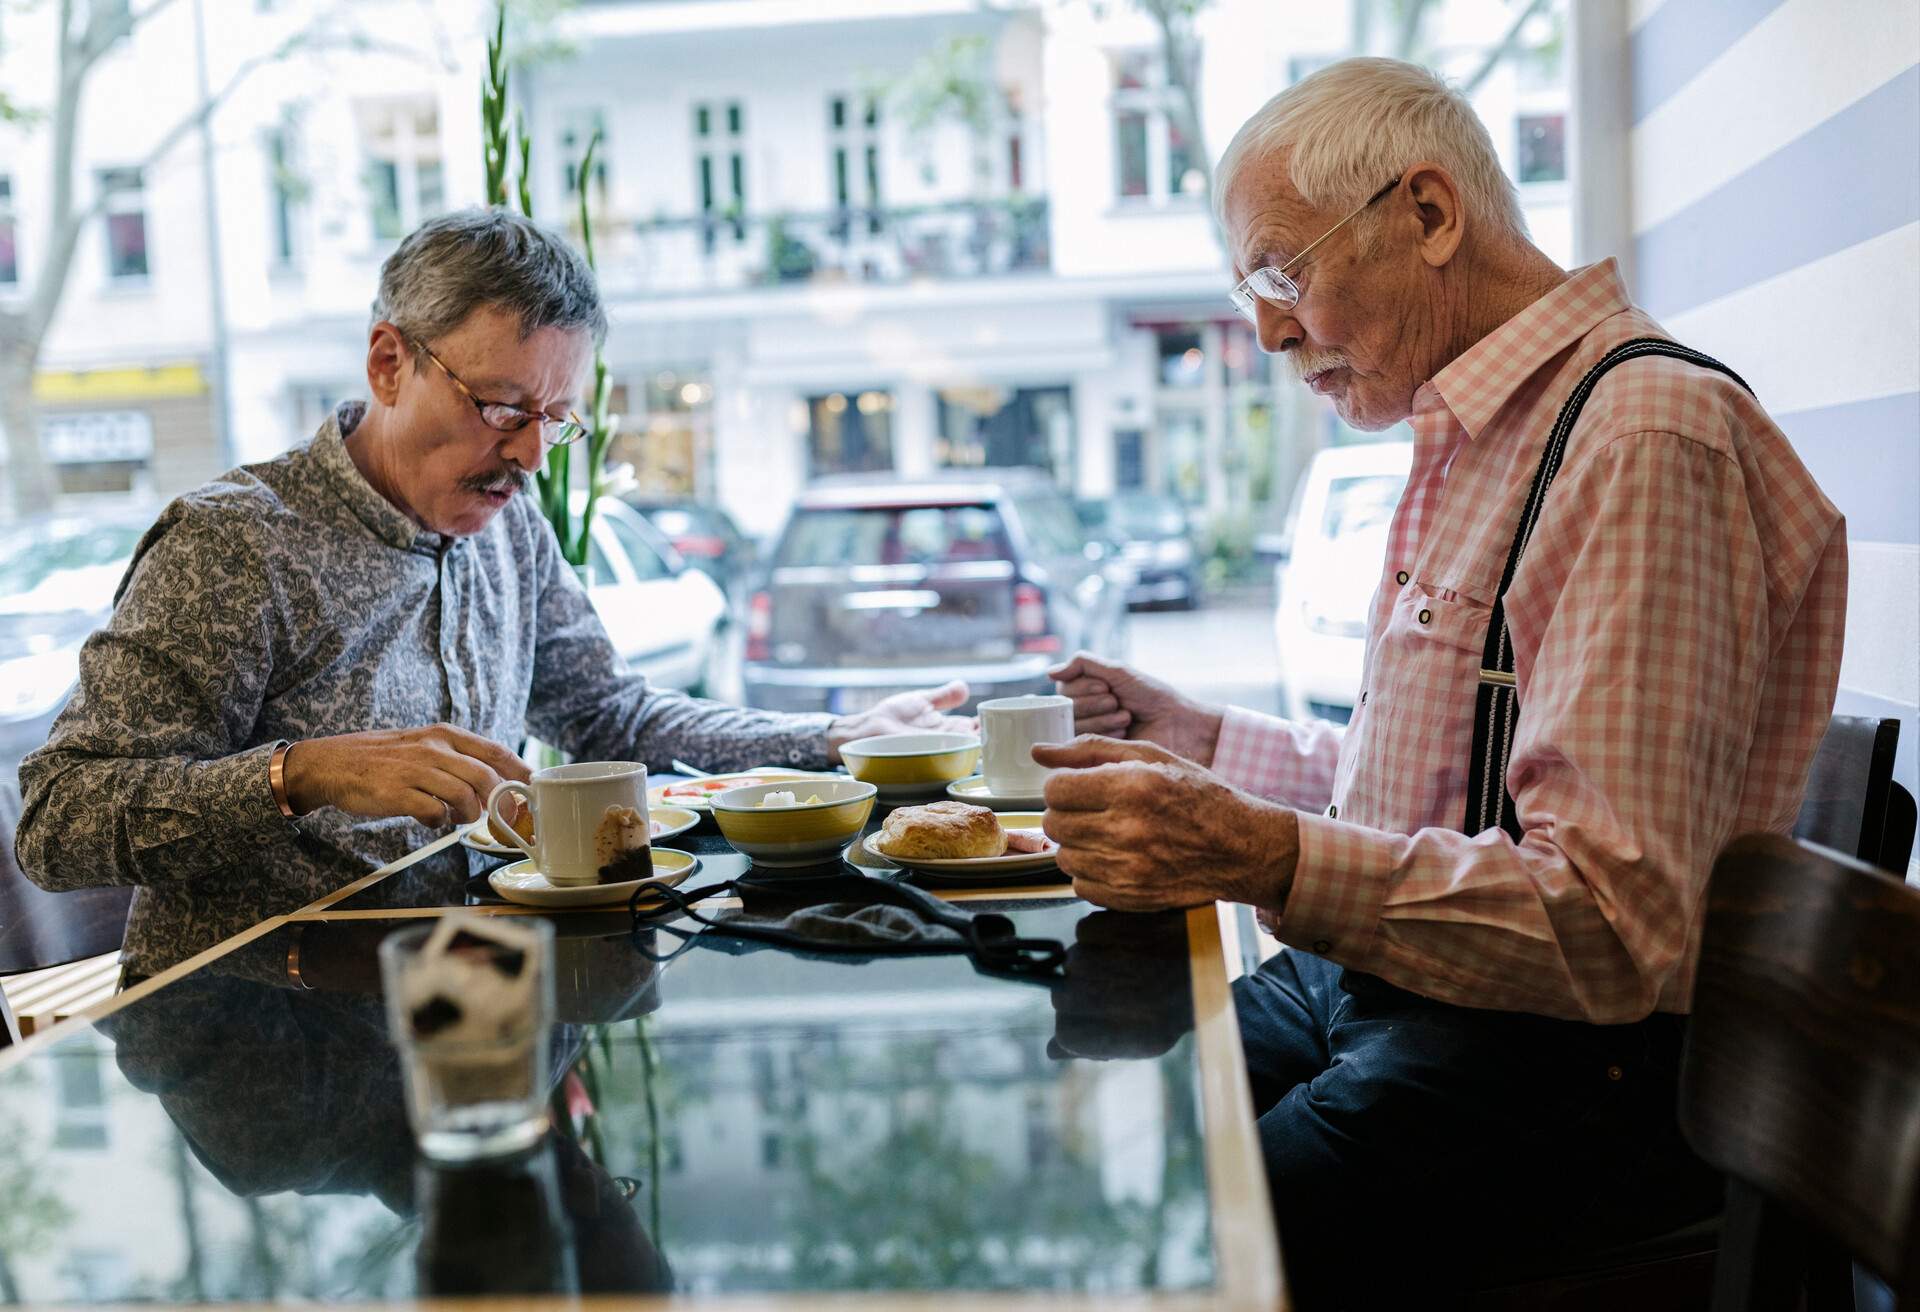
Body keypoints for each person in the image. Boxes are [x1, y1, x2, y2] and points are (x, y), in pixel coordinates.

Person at [1036, 58, 1846, 1306]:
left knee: (1168, 1238)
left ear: (1427, 214)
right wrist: (1194, 738)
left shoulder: (1639, 439)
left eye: (1280, 273)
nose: (1264, 329)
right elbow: (1446, 801)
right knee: (1100, 1119)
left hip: (1573, 1067)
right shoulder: (1478, 435)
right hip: (1408, 998)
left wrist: (1264, 859)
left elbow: (1614, 927)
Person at [15, 208, 970, 977]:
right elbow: (58, 821)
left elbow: (607, 714)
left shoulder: (509, 526)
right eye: (504, 408)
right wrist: (299, 773)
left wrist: (830, 739)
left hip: (463, 993)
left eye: (556, 421)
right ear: (389, 362)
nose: (526, 455)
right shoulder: (233, 544)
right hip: (258, 1032)